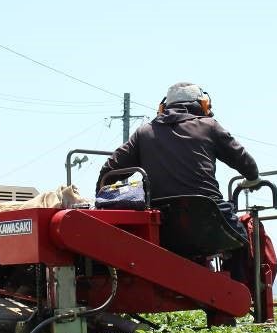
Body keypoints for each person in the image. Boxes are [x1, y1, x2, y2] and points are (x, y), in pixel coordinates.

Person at [99, 81, 258, 239]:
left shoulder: (144, 133)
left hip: (161, 225)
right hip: (209, 221)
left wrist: (100, 201)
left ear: (162, 108)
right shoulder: (210, 126)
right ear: (203, 105)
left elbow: (109, 169)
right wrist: (253, 179)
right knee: (245, 239)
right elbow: (247, 165)